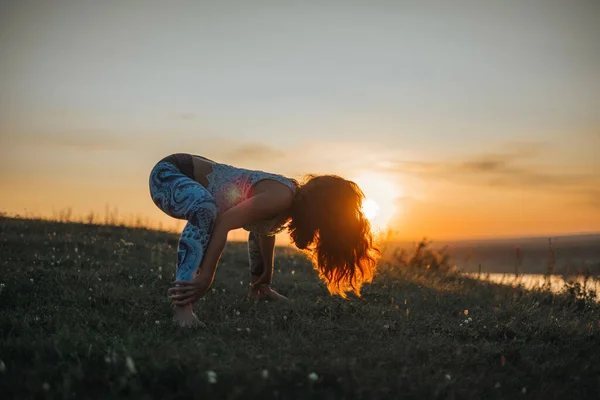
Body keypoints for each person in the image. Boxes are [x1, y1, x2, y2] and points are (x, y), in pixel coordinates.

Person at [149, 153, 379, 327]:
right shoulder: (282, 197)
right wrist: (206, 277)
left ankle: (256, 293)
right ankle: (182, 309)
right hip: (168, 174)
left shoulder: (286, 205)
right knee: (205, 210)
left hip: (182, 175)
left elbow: (262, 232)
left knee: (207, 209)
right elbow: (224, 222)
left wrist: (262, 282)